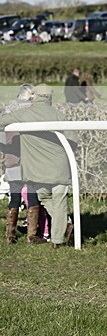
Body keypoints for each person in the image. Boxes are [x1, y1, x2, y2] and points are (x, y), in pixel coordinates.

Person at [0, 85, 78, 248]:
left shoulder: (25, 114)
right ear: (49, 98)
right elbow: (73, 141)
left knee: (44, 197)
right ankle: (61, 232)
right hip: (60, 166)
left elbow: (2, 122)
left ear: (34, 97)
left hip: (37, 171)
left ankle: (59, 235)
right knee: (58, 201)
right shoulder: (59, 115)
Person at [2, 85, 40, 243]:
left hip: (13, 162)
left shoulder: (9, 114)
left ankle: (10, 234)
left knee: (14, 197)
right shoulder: (35, 114)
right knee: (33, 197)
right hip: (31, 162)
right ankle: (31, 235)